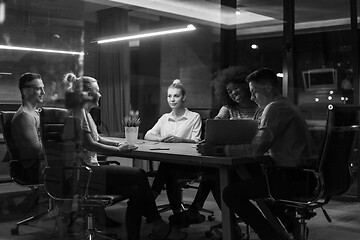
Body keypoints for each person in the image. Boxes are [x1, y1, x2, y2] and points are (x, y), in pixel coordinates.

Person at [197, 68, 318, 240]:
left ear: (268, 87)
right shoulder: (286, 105)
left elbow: (255, 149)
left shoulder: (273, 109)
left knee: (230, 193)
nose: (252, 97)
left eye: (254, 92)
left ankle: (270, 235)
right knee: (247, 177)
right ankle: (286, 223)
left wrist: (220, 150)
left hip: (293, 178)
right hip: (305, 175)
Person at [62, 73, 187, 240]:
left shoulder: (85, 112)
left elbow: (97, 138)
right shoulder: (79, 111)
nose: (100, 94)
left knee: (136, 191)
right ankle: (157, 223)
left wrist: (118, 144)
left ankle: (139, 234)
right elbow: (89, 144)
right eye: (97, 91)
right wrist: (119, 151)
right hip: (84, 173)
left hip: (89, 171)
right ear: (88, 94)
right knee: (139, 174)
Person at [176, 66, 260, 236]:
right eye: (228, 91)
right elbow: (217, 123)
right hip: (229, 161)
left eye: (235, 88)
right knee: (215, 174)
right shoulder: (228, 109)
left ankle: (197, 210)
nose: (232, 94)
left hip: (252, 163)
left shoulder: (261, 109)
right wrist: (211, 136)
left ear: (245, 86)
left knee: (214, 176)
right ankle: (227, 224)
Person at [144, 79, 202, 222]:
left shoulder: (194, 117)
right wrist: (161, 138)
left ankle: (151, 198)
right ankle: (178, 213)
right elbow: (147, 134)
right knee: (169, 168)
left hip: (189, 164)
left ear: (184, 97)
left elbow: (197, 141)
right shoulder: (165, 118)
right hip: (170, 164)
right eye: (169, 96)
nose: (172, 99)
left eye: (176, 96)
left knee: (167, 167)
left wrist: (180, 139)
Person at [11, 72, 47, 184]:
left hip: (43, 164)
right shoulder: (25, 116)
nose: (43, 92)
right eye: (38, 89)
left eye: (43, 88)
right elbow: (36, 151)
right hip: (34, 169)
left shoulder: (35, 113)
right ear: (25, 91)